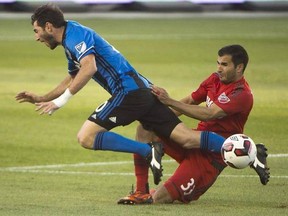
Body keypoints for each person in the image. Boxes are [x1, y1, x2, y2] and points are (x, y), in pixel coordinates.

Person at [15, 4, 228, 186]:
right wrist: (42, 98)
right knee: (187, 138)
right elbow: (73, 76)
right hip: (144, 91)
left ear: (49, 27)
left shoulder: (75, 36)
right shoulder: (72, 40)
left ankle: (147, 150)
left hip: (127, 91)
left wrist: (60, 102)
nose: (36, 37)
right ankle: (242, 147)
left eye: (36, 31)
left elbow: (89, 69)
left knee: (86, 137)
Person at [118, 45, 270, 204]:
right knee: (145, 128)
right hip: (195, 140)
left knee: (158, 199)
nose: (219, 68)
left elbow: (210, 113)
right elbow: (191, 100)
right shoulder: (214, 79)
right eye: (218, 63)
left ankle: (249, 153)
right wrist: (160, 118)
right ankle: (141, 191)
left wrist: (169, 101)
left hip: (210, 158)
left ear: (239, 67)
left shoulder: (241, 94)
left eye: (224, 65)